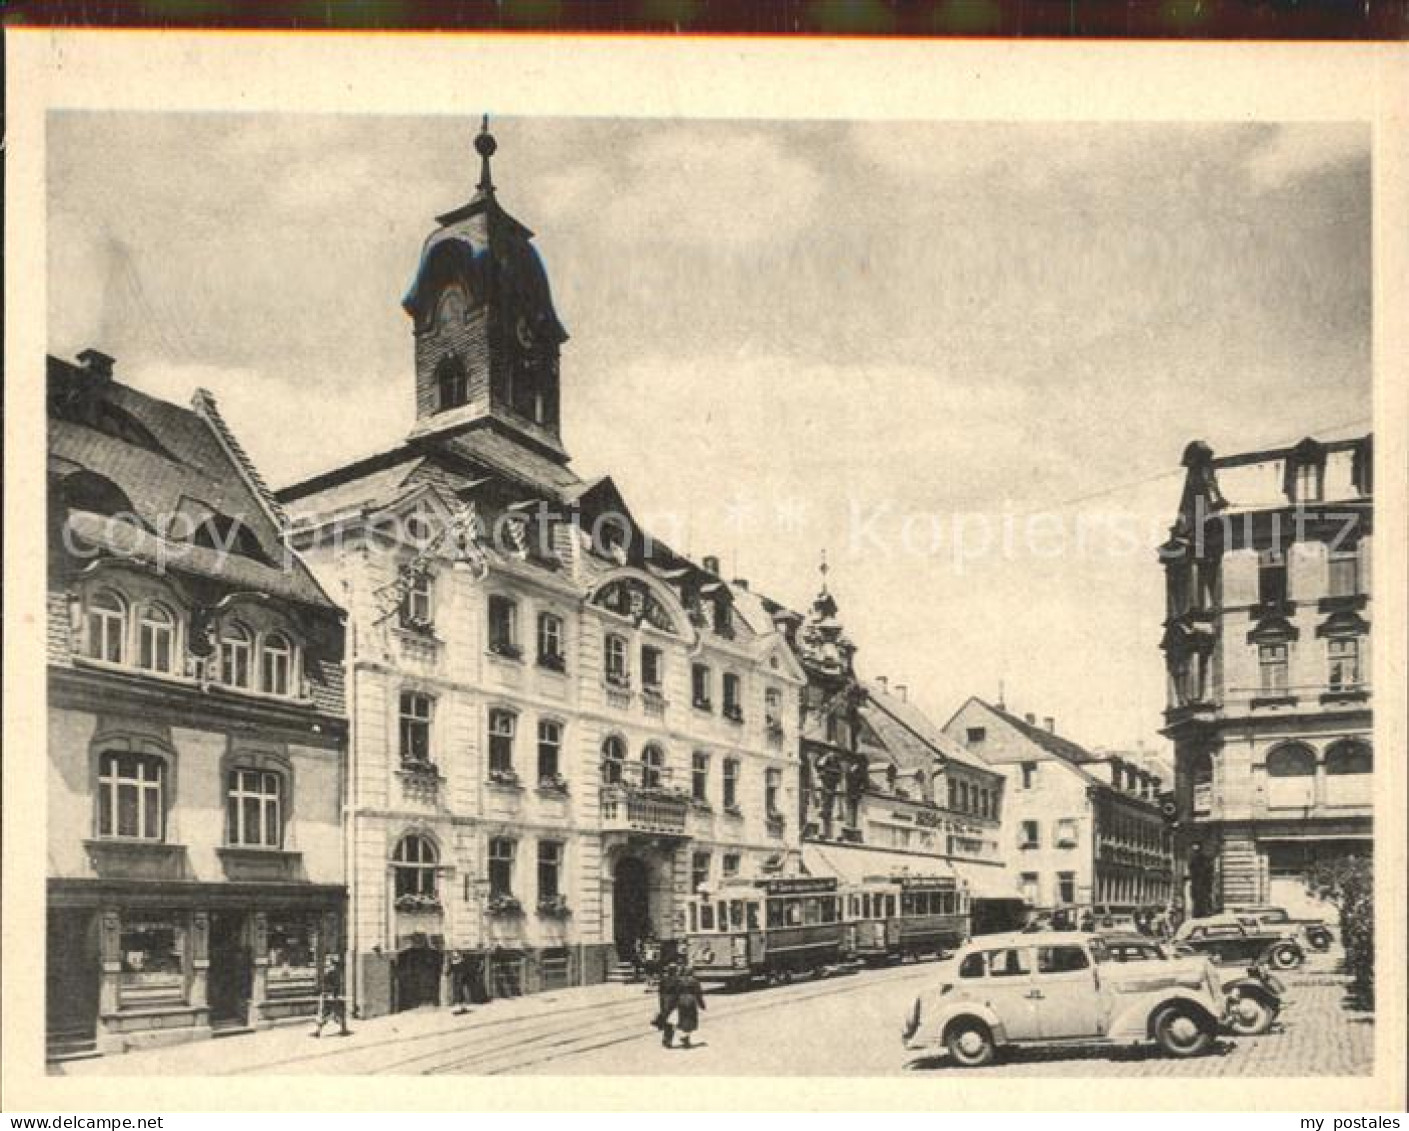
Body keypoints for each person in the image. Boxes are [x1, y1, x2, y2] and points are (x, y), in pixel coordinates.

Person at [312, 955, 350, 1038]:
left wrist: (328, 993)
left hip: (328, 995)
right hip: (331, 994)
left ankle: (318, 1031)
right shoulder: (336, 971)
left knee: (324, 1013)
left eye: (328, 960)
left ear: (331, 962)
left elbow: (331, 984)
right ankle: (343, 1029)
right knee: (336, 1013)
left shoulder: (331, 971)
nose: (327, 962)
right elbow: (337, 985)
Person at [672, 963, 706, 1049]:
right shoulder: (695, 981)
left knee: (683, 1020)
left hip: (681, 1001)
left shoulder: (679, 981)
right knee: (691, 1021)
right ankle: (686, 1038)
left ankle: (685, 1038)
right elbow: (699, 994)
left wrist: (674, 1003)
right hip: (691, 1002)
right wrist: (702, 1005)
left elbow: (675, 993)